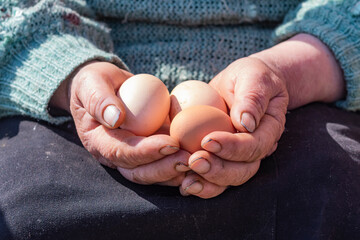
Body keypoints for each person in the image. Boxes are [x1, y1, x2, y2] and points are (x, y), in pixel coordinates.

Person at [0, 0, 359, 239]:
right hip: (79, 103)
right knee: (33, 214)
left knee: (340, 196)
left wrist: (286, 71)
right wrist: (73, 76)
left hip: (288, 91)